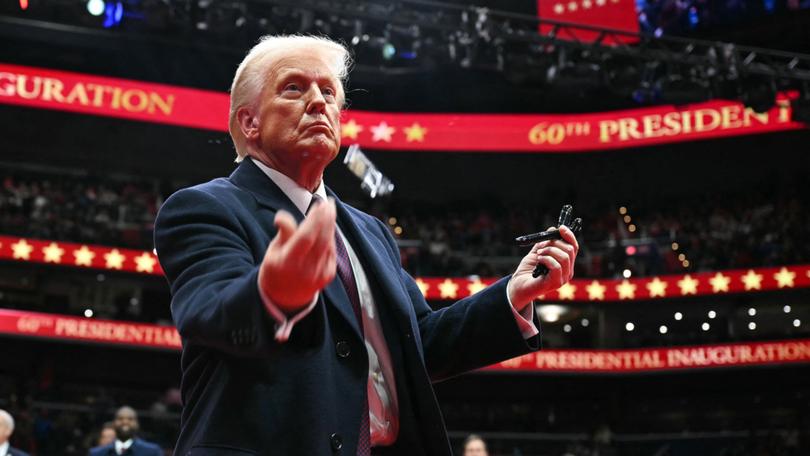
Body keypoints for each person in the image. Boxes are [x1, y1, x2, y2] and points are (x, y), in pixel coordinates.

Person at [154, 34, 580, 456]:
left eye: (329, 92)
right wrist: (273, 295)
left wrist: (512, 294)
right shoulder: (203, 208)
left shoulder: (370, 231)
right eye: (294, 88)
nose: (320, 102)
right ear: (250, 123)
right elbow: (211, 314)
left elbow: (420, 346)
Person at [88, 406, 161, 456]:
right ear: (114, 423)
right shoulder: (97, 453)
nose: (125, 422)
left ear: (137, 423)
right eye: (120, 418)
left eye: (130, 419)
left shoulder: (152, 452)